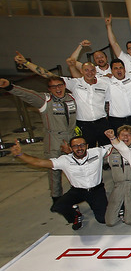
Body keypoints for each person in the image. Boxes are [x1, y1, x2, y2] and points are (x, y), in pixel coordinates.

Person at [1, 76, 77, 207]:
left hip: (71, 137)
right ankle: (56, 199)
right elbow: (26, 94)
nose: (58, 89)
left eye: (60, 85)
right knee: (54, 170)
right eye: (54, 87)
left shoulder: (72, 98)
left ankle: (76, 194)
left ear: (65, 85)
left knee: (75, 167)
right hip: (54, 139)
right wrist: (10, 86)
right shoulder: (45, 100)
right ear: (49, 89)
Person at [10, 137, 110, 230]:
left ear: (87, 146)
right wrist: (20, 155)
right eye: (75, 146)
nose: (79, 148)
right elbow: (40, 162)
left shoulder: (97, 152)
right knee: (59, 206)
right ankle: (75, 216)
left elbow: (116, 145)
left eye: (82, 145)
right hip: (78, 191)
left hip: (96, 190)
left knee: (102, 219)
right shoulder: (64, 160)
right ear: (71, 148)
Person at [104, 125, 131, 226]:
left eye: (129, 135)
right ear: (118, 137)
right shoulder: (109, 151)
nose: (126, 137)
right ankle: (121, 207)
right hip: (118, 185)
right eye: (123, 135)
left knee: (130, 221)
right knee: (110, 222)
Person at [106, 58, 131, 132]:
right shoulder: (107, 82)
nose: (119, 70)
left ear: (124, 69)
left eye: (121, 68)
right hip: (117, 121)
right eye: (115, 68)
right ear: (111, 71)